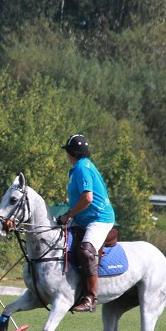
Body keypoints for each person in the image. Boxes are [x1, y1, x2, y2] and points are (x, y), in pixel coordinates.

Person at [56, 134, 115, 312]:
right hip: (84, 218)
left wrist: (69, 215)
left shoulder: (82, 168)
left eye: (68, 152)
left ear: (72, 153)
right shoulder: (77, 169)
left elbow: (87, 198)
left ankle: (90, 298)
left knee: (86, 250)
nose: (67, 156)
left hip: (99, 218)